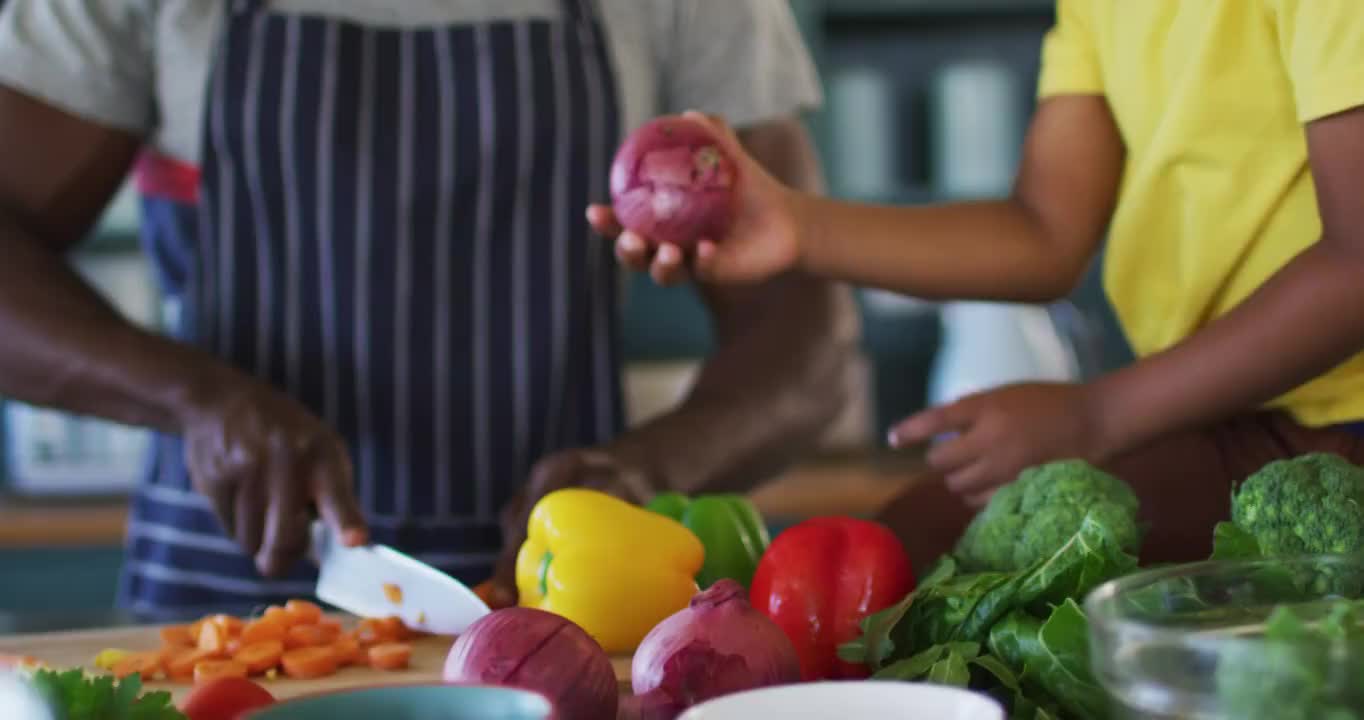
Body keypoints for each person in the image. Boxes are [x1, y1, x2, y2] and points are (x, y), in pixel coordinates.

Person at [0, 0, 857, 613]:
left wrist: (647, 470)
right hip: (223, 610)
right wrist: (194, 399)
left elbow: (807, 336)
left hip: (559, 614)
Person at [608, 0, 1364, 569]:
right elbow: (1043, 230)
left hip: (1335, 428)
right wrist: (794, 225)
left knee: (908, 564)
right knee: (888, 557)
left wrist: (1099, 414)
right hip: (1228, 420)